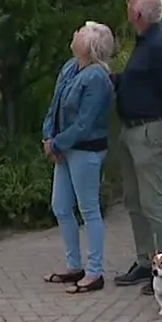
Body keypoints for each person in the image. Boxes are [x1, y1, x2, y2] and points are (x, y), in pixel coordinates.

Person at [113, 0, 162, 294]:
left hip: (150, 131)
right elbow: (138, 83)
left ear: (138, 13)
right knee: (134, 200)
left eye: (130, 4)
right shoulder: (144, 44)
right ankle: (147, 261)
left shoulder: (159, 47)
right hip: (130, 130)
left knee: (154, 203)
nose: (127, 8)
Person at [42, 21, 117, 294]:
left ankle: (95, 271)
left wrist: (56, 143)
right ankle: (74, 265)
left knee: (88, 209)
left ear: (91, 45)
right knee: (61, 206)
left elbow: (85, 123)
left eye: (83, 31)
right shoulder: (70, 66)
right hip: (65, 146)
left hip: (86, 149)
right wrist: (49, 136)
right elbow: (55, 105)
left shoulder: (97, 77)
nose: (76, 32)